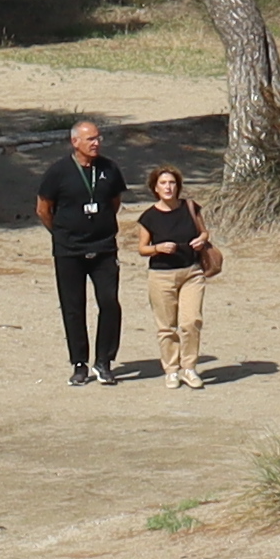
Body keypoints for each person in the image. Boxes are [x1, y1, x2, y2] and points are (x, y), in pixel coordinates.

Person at [35, 112, 130, 384]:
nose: (96, 143)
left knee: (109, 303)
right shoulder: (58, 172)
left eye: (98, 138)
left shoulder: (109, 169)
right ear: (75, 141)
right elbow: (43, 209)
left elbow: (114, 202)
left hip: (103, 247)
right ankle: (79, 363)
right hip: (69, 250)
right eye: (90, 139)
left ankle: (104, 361)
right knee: (73, 306)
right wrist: (63, 232)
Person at [134, 161, 221, 389]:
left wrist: (202, 239)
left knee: (191, 321)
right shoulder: (149, 217)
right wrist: (157, 248)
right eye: (163, 183)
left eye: (172, 183)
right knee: (166, 326)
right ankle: (171, 370)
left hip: (191, 272)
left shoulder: (191, 207)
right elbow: (142, 248)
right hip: (161, 275)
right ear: (155, 188)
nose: (168, 187)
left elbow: (203, 231)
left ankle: (189, 368)